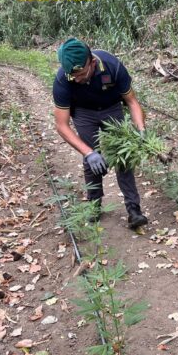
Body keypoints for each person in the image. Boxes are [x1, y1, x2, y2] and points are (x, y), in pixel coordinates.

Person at [52, 37, 148, 229]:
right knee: (92, 160)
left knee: (123, 156)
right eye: (73, 76)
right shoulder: (63, 79)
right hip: (83, 112)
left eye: (80, 74)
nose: (76, 79)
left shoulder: (113, 66)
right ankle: (94, 204)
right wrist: (89, 153)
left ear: (92, 63)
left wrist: (140, 130)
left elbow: (132, 101)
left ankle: (133, 209)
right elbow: (62, 125)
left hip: (112, 107)